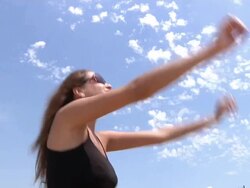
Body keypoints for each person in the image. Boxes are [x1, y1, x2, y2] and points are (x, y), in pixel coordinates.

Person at [33, 15, 248, 188]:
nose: (109, 85)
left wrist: (213, 119)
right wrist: (214, 48)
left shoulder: (102, 140)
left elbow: (161, 135)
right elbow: (139, 90)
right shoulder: (66, 118)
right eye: (99, 79)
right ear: (78, 91)